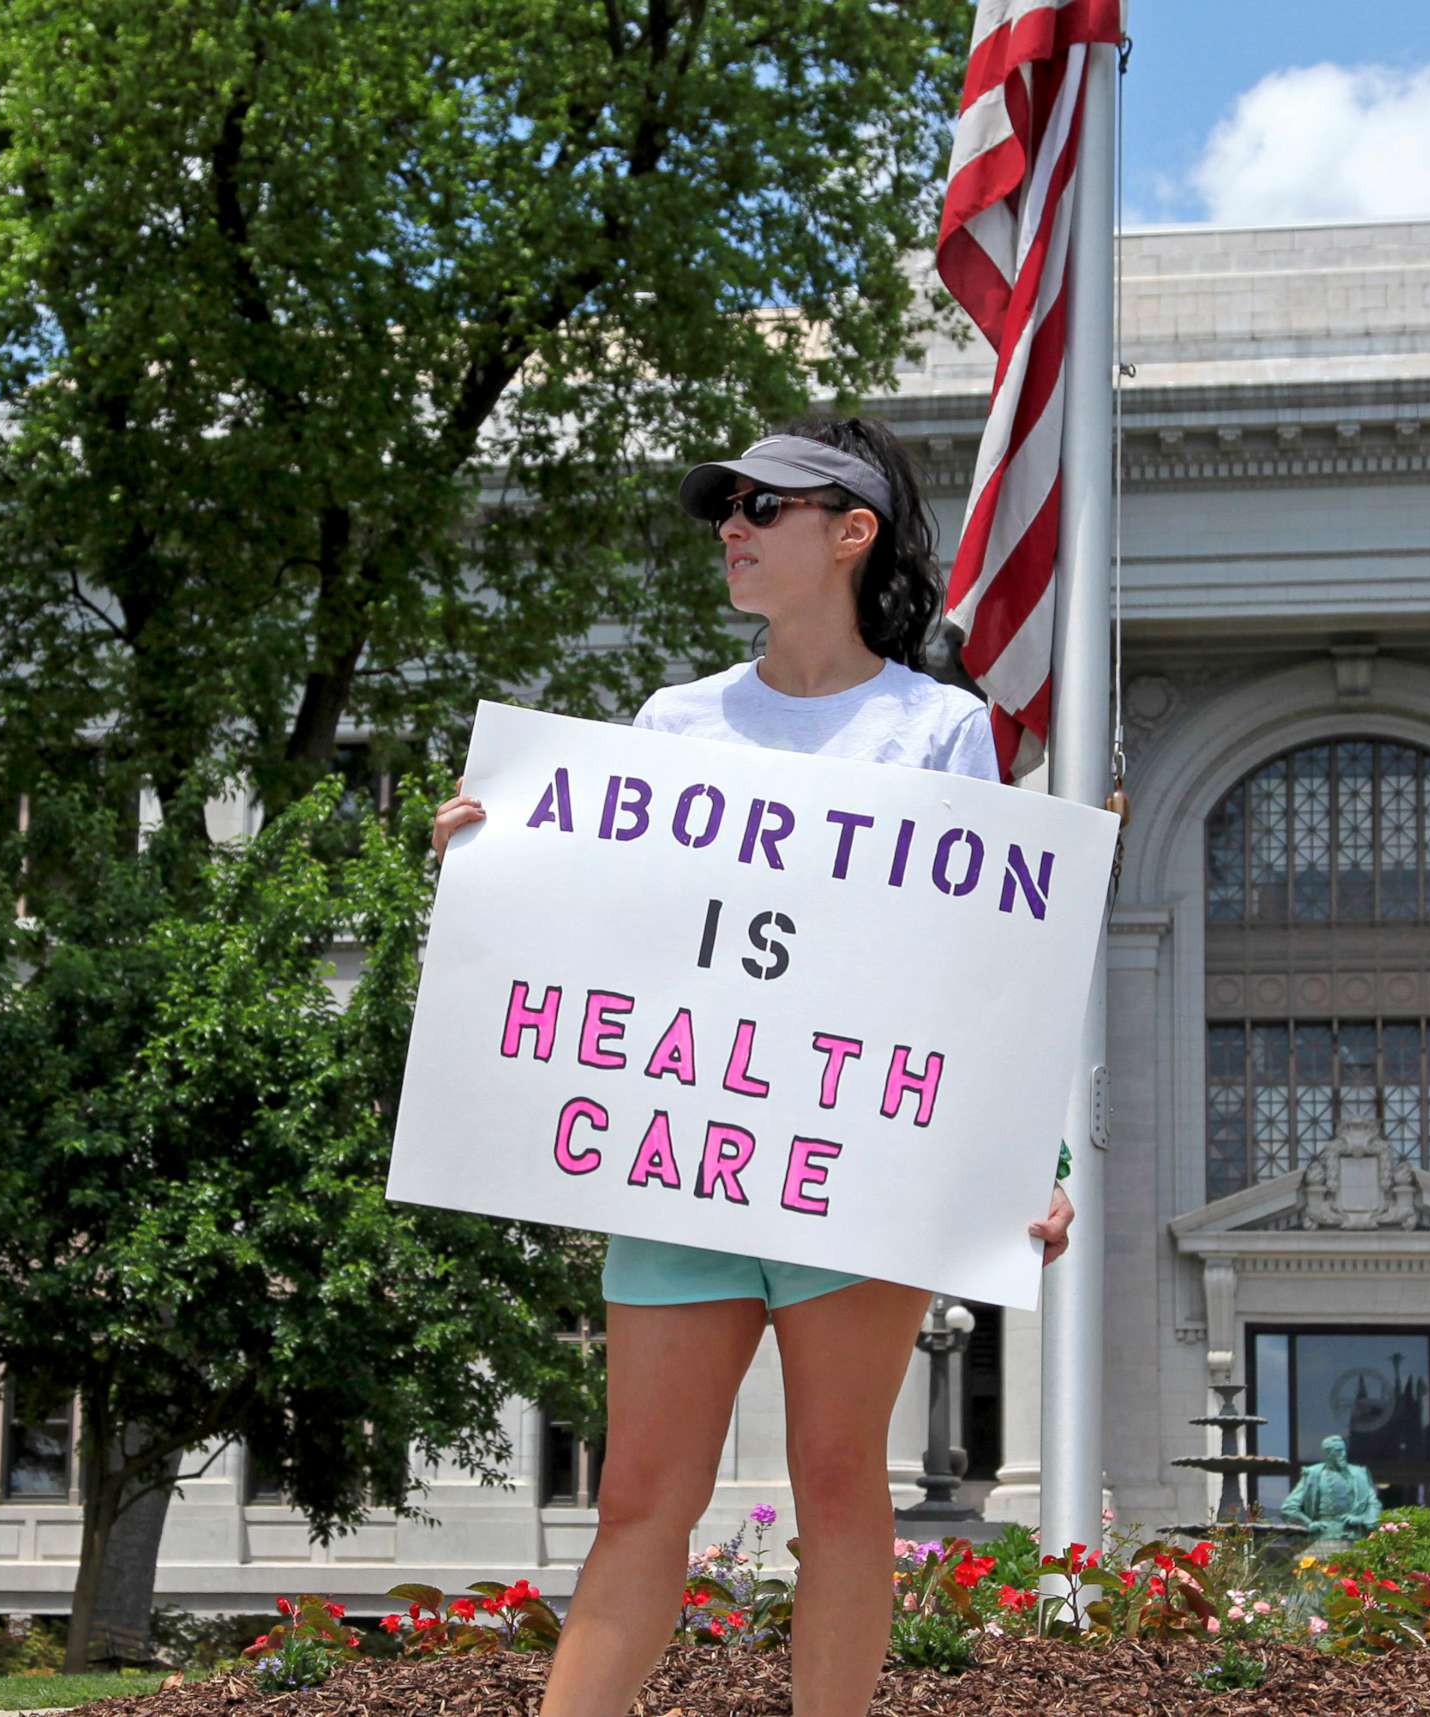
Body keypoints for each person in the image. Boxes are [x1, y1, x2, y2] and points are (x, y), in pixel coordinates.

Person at [428, 416, 1076, 1717]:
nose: (732, 524)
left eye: (766, 506)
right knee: (637, 1498)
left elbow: (986, 966)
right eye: (725, 506)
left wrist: (1037, 1158)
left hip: (859, 1170)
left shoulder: (941, 731)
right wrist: (496, 862)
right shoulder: (675, 721)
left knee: (841, 1484)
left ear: (853, 531)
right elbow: (621, 923)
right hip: (688, 1168)